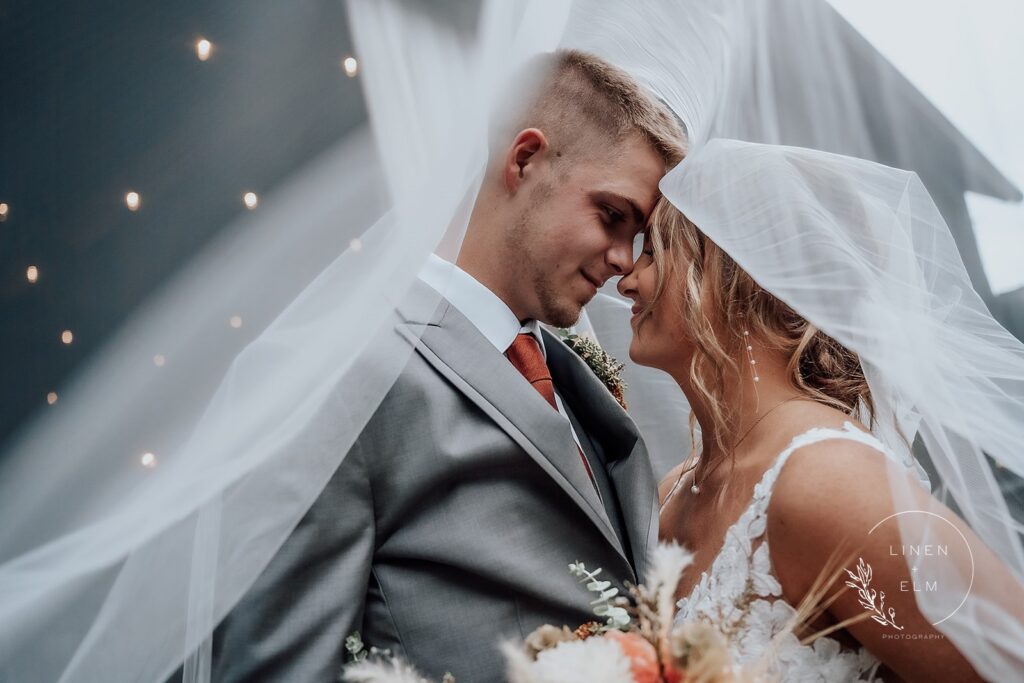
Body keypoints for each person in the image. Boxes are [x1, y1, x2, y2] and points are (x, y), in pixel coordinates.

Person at [209, 49, 685, 682]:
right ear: (524, 160)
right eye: (612, 216)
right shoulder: (341, 372)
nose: (625, 259)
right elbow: (276, 664)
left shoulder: (578, 381)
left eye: (639, 236)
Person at [617, 139, 1024, 681]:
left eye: (653, 252)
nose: (625, 280)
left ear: (728, 268)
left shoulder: (827, 481)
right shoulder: (672, 492)